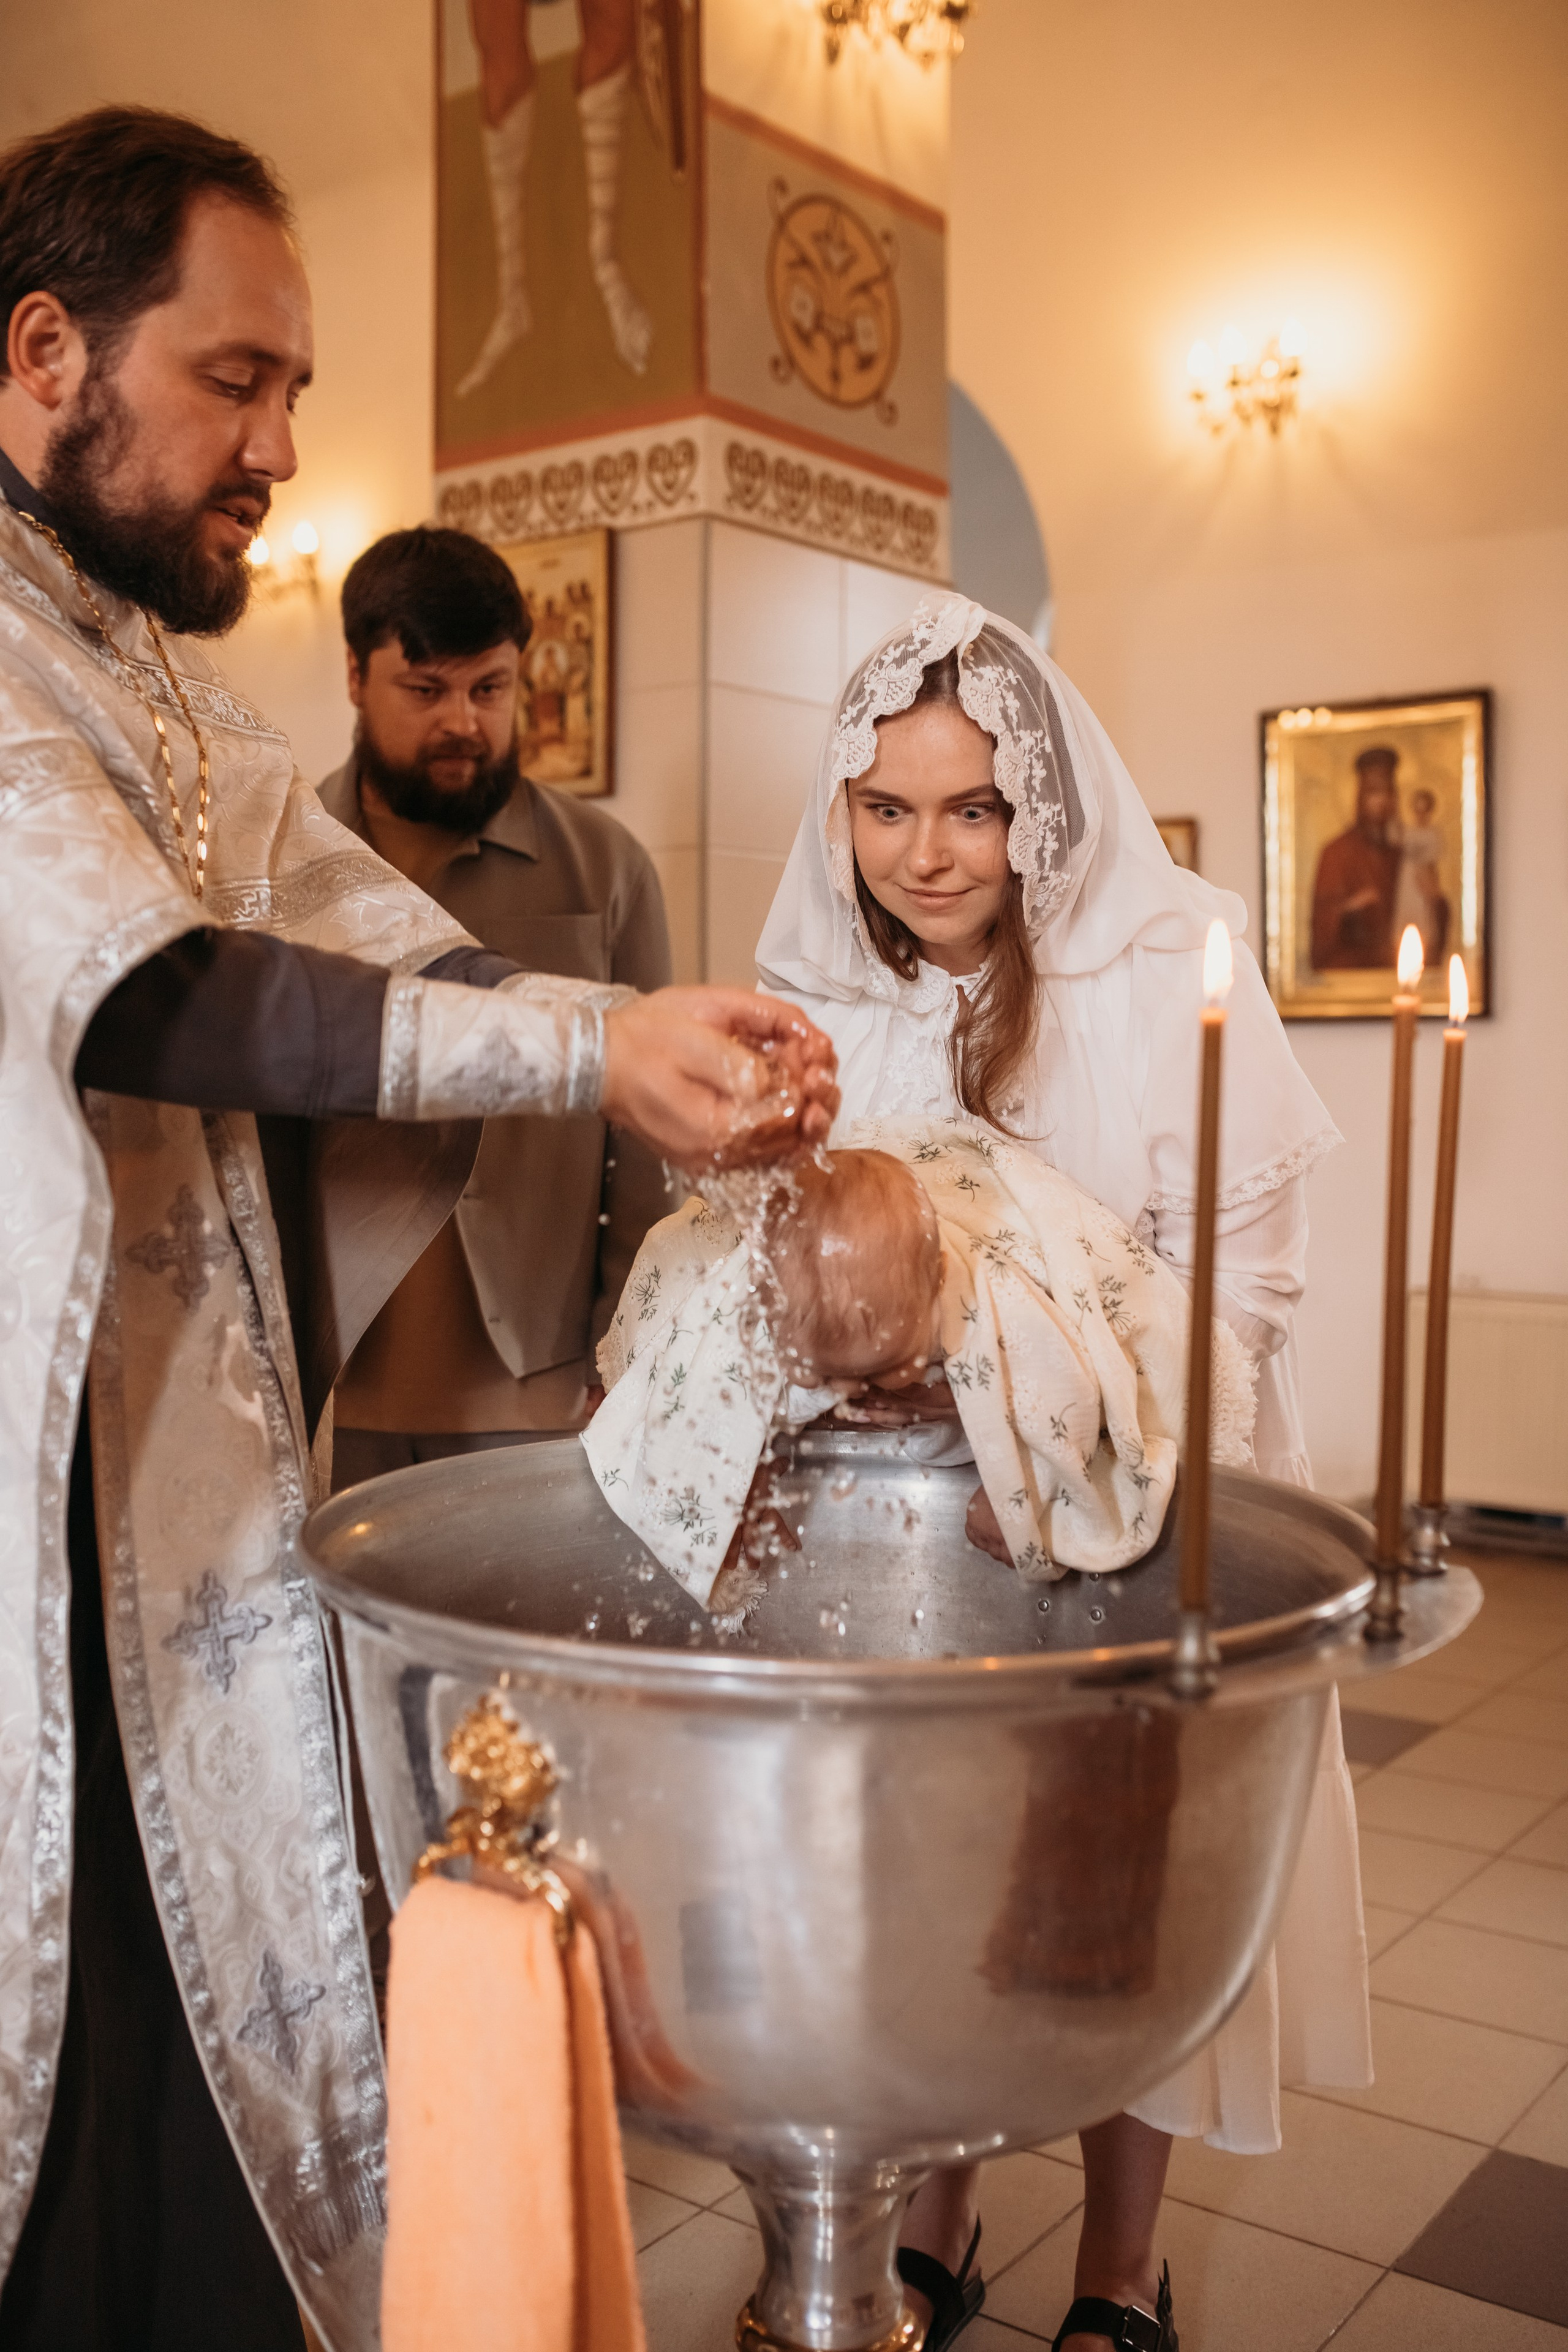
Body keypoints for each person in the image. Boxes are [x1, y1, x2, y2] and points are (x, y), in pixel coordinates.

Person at [0, 106, 835, 2352]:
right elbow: (172, 995)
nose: (283, 439)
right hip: (34, 1512)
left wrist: (641, 1030)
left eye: (293, 388)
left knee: (211, 2022)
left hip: (175, 1494)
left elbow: (382, 944)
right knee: (65, 2031)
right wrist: (584, 1055)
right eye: (236, 381)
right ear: (43, 349)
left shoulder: (161, 687)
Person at [755, 597, 1370, 2352]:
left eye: (973, 808)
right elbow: (780, 1248)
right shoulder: (824, 978)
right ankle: (942, 2211)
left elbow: (1240, 1287)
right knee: (937, 1887)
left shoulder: (1168, 956)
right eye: (887, 811)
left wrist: (1084, 1461)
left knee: (1116, 1890)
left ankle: (1120, 2266)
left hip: (1131, 1501)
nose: (928, 855)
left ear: (1041, 802)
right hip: (897, 1524)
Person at [318, 527, 672, 1482]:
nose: (464, 724)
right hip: (330, 1388)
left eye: (490, 689)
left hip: (540, 1390)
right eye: (425, 691)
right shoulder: (287, 864)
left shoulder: (606, 867)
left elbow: (646, 1148)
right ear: (356, 676)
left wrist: (625, 1348)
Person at [584, 1126, 1256, 1615]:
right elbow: (696, 1399)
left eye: (881, 1368)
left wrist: (1016, 1493)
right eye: (822, 1376)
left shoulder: (994, 1306)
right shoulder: (751, 1305)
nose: (853, 1395)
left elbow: (1067, 1397)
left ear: (934, 1294)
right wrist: (735, 1480)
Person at [1310, 744, 1401, 970]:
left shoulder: (1402, 853)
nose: (1381, 801)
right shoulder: (1336, 853)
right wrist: (1352, 907)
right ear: (1360, 796)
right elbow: (1322, 926)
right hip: (1351, 965)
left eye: (1387, 792)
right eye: (1373, 792)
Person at [1392, 783, 1449, 965]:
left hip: (1423, 879)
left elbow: (1431, 860)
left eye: (1424, 810)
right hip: (1407, 879)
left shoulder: (1433, 835)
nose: (1420, 814)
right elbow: (1395, 839)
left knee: (1424, 916)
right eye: (1417, 809)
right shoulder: (1407, 831)